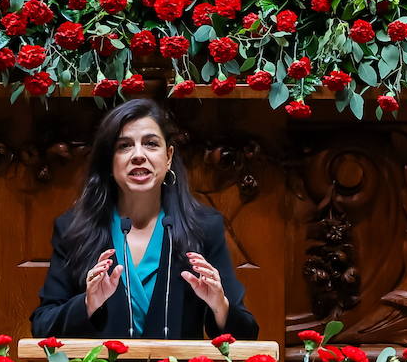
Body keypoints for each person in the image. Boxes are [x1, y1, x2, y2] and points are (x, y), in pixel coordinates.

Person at [31, 99, 258, 340]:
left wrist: (218, 304)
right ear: (109, 160)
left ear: (168, 156)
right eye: (124, 146)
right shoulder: (73, 229)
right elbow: (42, 327)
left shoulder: (204, 227)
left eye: (150, 144)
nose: (138, 155)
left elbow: (247, 334)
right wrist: (87, 303)